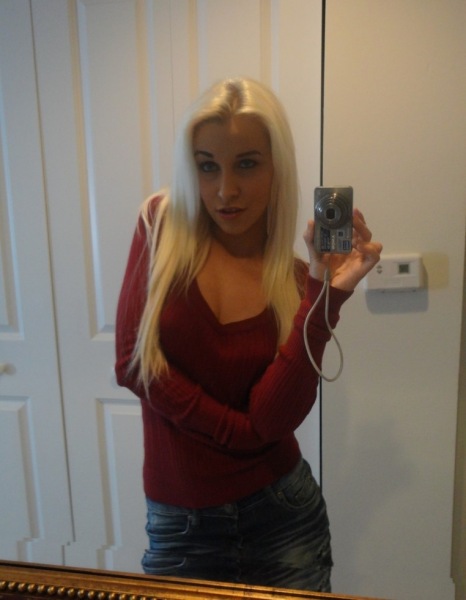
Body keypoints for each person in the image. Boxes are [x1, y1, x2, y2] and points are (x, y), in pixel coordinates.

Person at [114, 77, 382, 592]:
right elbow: (132, 362)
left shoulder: (295, 281)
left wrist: (328, 295)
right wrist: (236, 434)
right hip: (180, 523)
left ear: (276, 167)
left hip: (283, 518)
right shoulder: (160, 225)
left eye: (247, 164)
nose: (225, 190)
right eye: (207, 165)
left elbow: (274, 419)